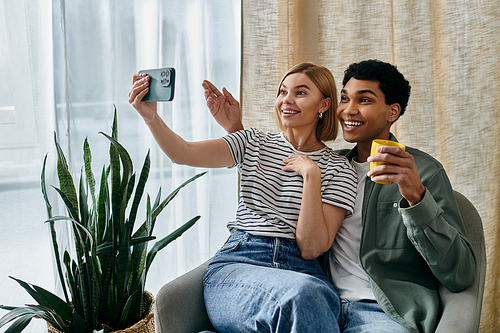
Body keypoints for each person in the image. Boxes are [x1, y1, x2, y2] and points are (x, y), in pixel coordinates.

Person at [203, 59, 476, 333]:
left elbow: (460, 273)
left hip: (380, 312)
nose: (348, 110)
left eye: (365, 100)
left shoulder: (422, 172)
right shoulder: (330, 167)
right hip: (318, 300)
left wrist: (416, 197)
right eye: (344, 98)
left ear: (392, 111)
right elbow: (267, 186)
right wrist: (235, 131)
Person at [128, 62, 357, 333]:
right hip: (240, 264)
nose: (287, 100)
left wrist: (311, 175)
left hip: (302, 272)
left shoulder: (340, 169)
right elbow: (182, 152)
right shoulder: (252, 142)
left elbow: (310, 247)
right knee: (302, 297)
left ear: (324, 104)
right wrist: (150, 117)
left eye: (300, 93)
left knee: (306, 296)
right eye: (282, 91)